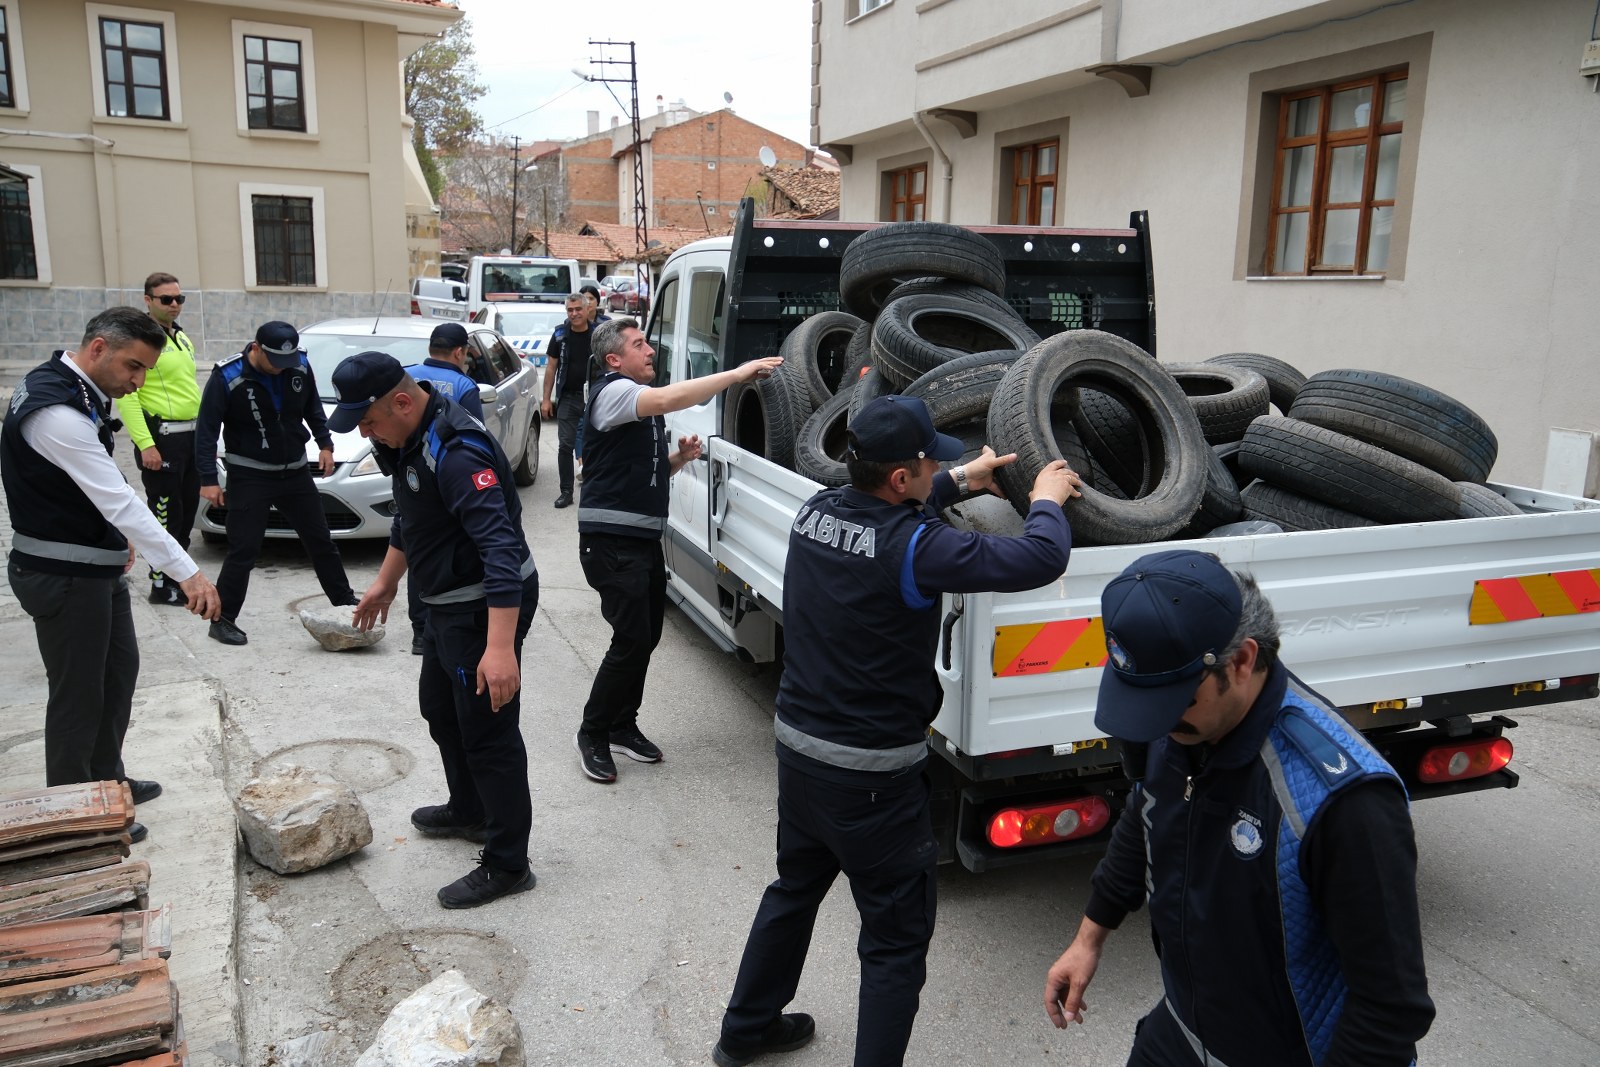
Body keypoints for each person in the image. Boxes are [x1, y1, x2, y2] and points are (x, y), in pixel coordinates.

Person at [713, 395, 1081, 1067]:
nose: (933, 466)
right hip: (874, 781)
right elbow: (1038, 559)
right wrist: (1050, 498)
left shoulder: (818, 509)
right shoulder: (917, 545)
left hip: (800, 751)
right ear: (900, 478)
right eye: (927, 461)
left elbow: (899, 495)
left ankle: (744, 1030)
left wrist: (965, 477)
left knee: (793, 890)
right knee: (893, 942)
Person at [1042, 549, 1435, 1067]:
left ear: (1243, 661)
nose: (1158, 722)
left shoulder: (1344, 801)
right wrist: (1088, 938)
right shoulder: (1180, 724)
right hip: (1185, 1028)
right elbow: (1145, 815)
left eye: (1176, 698)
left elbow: (1390, 1011)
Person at [1, 307, 222, 844]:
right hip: (63, 575)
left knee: (117, 675)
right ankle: (76, 815)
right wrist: (187, 572)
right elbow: (120, 499)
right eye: (133, 366)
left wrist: (114, 538)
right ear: (97, 349)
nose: (138, 381)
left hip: (91, 568)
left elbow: (85, 485)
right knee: (79, 696)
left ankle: (106, 779)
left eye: (146, 369)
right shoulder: (57, 412)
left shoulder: (70, 390)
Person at [336, 351, 540, 910]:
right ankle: (470, 809)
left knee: (489, 735)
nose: (364, 431)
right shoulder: (408, 438)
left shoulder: (455, 452)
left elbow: (499, 552)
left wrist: (500, 649)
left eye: (369, 420)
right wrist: (384, 583)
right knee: (440, 709)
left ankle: (507, 864)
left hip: (484, 607)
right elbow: (412, 514)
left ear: (402, 402)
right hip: (444, 604)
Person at [574, 319, 783, 784]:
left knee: (644, 638)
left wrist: (678, 460)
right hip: (611, 543)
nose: (650, 350)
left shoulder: (640, 411)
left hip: (642, 540)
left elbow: (638, 474)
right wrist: (737, 374)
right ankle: (592, 733)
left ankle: (622, 726)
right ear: (614, 360)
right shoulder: (612, 393)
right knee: (629, 639)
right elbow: (671, 397)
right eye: (638, 344)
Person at [195, 321, 357, 646]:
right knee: (244, 549)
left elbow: (312, 407)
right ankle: (222, 619)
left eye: (288, 361)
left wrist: (325, 444)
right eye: (275, 362)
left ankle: (344, 602)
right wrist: (208, 480)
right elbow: (207, 430)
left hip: (295, 472)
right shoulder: (227, 376)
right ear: (256, 348)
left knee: (320, 540)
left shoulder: (298, 364)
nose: (282, 369)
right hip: (249, 475)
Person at [113, 271, 202, 608]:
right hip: (161, 441)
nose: (175, 304)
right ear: (148, 300)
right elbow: (128, 396)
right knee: (166, 516)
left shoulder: (181, 337)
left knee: (187, 514)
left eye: (180, 298)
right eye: (167, 299)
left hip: (190, 439)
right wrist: (145, 443)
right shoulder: (140, 341)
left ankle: (179, 578)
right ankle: (161, 585)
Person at [403, 322, 487, 655]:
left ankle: (420, 632)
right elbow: (477, 437)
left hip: (411, 475)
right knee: (455, 548)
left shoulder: (409, 376)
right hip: (451, 479)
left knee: (416, 546)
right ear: (459, 352)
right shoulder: (463, 384)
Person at [540, 294, 592, 508]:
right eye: (570, 310)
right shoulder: (560, 335)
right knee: (565, 446)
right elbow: (551, 367)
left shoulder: (599, 334)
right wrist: (546, 399)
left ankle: (594, 492)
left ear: (587, 310)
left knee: (596, 444)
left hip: (595, 397)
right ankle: (566, 492)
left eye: (578, 309)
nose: (574, 314)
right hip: (568, 397)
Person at [571, 285, 611, 482]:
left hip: (599, 382)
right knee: (581, 426)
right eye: (585, 298)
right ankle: (582, 465)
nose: (588, 302)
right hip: (580, 386)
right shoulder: (571, 326)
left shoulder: (605, 325)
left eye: (591, 299)